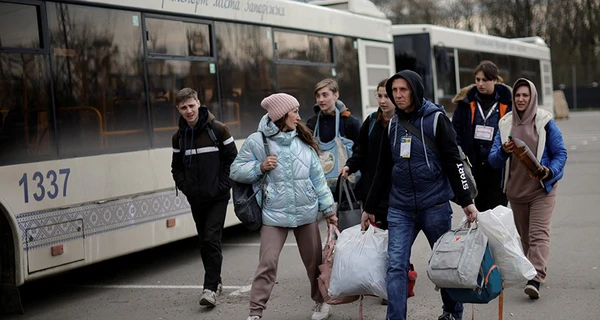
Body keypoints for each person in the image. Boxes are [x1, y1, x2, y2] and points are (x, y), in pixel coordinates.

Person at [363, 70, 479, 320]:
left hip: (434, 206)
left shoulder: (436, 119)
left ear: (415, 90)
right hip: (400, 208)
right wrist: (369, 206)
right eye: (394, 90)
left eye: (403, 90)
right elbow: (383, 168)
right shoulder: (393, 123)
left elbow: (453, 162)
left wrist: (467, 202)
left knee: (444, 264)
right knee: (395, 267)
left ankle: (452, 312)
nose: (397, 95)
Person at [230, 93, 337, 320]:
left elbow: (318, 180)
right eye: (294, 111)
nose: (299, 116)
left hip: (306, 212)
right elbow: (235, 170)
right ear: (280, 115)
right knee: (267, 263)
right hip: (273, 213)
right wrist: (259, 167)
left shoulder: (303, 141)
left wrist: (328, 210)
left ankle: (320, 302)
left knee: (314, 263)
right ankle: (255, 312)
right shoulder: (257, 142)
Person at [488, 78, 567, 300]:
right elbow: (493, 160)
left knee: (538, 235)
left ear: (533, 97)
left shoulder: (544, 121)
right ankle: (532, 269)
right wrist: (503, 151)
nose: (521, 99)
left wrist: (549, 172)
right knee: (525, 238)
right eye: (518, 95)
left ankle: (536, 278)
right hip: (516, 192)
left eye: (526, 95)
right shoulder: (505, 123)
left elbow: (561, 153)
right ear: (513, 98)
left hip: (542, 189)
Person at [170, 88, 238, 307]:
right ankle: (216, 280)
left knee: (210, 237)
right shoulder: (178, 137)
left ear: (198, 103)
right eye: (183, 107)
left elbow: (233, 161)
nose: (189, 111)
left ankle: (209, 289)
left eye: (191, 105)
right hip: (196, 198)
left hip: (217, 197)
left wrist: (222, 186)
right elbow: (176, 168)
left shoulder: (219, 130)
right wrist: (186, 187)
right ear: (178, 109)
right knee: (204, 241)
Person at [452, 61, 512, 211]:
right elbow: (456, 131)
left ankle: (498, 235)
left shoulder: (507, 102)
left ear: (495, 80)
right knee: (481, 209)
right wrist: (462, 154)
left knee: (499, 209)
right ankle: (484, 235)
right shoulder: (465, 103)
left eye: (485, 80)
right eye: (477, 80)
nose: (480, 84)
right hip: (475, 165)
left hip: (499, 165)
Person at [306, 78, 361, 146]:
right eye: (318, 96)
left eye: (325, 95)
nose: (321, 99)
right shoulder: (312, 123)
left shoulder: (349, 122)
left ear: (336, 95)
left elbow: (360, 151)